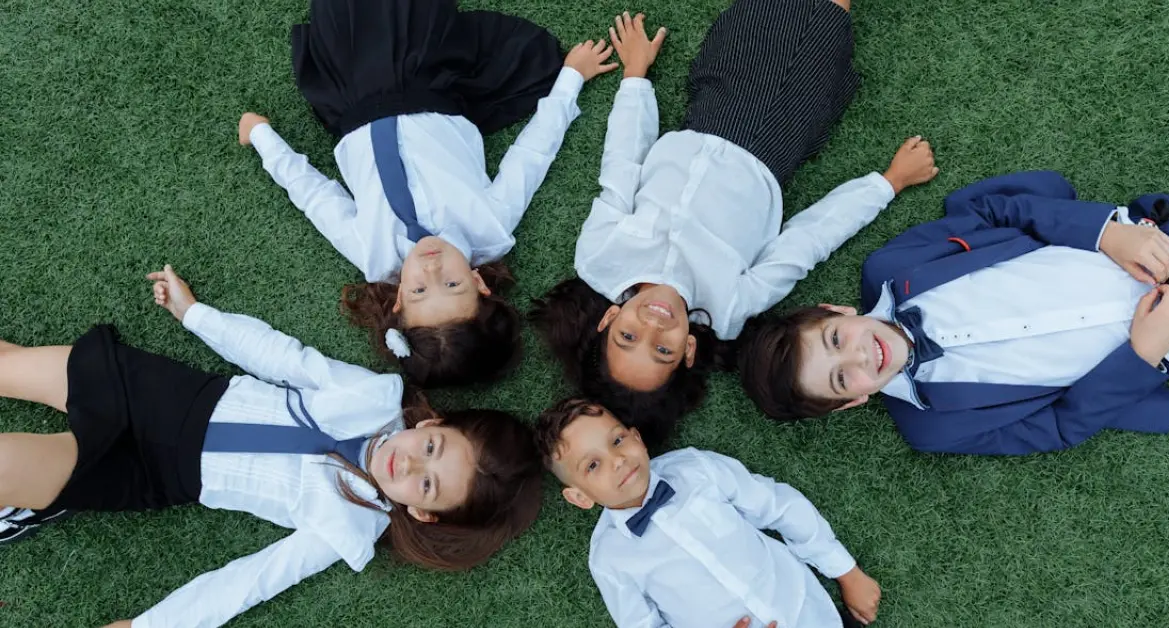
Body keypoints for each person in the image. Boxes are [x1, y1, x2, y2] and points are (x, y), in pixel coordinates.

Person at [0, 265, 543, 627]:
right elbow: (283, 358)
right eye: (432, 445)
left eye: (426, 482)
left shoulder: (350, 525)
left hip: (150, 468)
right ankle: (30, 499)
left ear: (422, 512)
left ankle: (29, 500)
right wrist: (195, 315)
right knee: (8, 365)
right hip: (160, 393)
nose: (409, 461)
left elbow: (253, 579)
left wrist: (151, 626)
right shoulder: (372, 395)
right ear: (435, 421)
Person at [532, 5, 937, 446]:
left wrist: (635, 76)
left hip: (707, 107)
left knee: (753, 15)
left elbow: (622, 164)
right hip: (774, 131)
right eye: (663, 350)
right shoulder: (730, 307)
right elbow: (808, 240)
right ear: (688, 350)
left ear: (609, 317)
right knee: (823, 19)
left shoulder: (599, 257)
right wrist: (887, 184)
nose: (654, 326)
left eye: (628, 336)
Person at [240, 0, 618, 387]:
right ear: (480, 285)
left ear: (400, 299)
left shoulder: (372, 255)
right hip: (429, 80)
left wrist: (262, 138)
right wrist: (570, 79)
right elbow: (531, 155)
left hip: (353, 95)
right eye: (452, 284)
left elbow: (316, 197)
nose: (432, 268)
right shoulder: (491, 227)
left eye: (420, 289)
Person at [739, 171, 1169, 455]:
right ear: (852, 402)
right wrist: (1142, 357)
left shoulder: (890, 267)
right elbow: (1059, 426)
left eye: (836, 339)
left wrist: (1105, 235)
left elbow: (996, 212)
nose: (859, 357)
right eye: (842, 379)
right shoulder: (934, 428)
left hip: (1159, 243)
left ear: (836, 311)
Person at [535, 398, 882, 627]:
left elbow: (778, 506)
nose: (619, 460)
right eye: (593, 465)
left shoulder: (695, 468)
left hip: (807, 611)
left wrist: (846, 571)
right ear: (579, 497)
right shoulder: (609, 559)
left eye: (617, 441)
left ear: (637, 438)